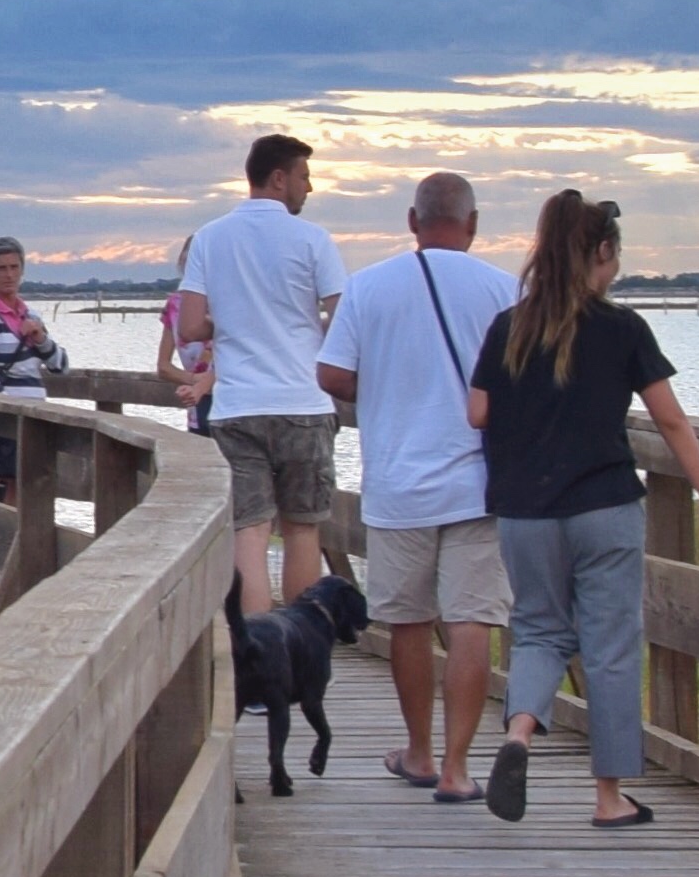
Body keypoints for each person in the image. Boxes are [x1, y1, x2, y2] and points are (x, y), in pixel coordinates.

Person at [470, 186, 699, 830]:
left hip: (526, 512)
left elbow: (477, 411)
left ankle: (519, 736)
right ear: (601, 251)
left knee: (539, 631)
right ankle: (609, 799)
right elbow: (670, 421)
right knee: (609, 646)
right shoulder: (623, 329)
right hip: (604, 506)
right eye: (616, 255)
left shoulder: (509, 328)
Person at [317, 172, 516, 799]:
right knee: (471, 622)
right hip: (480, 484)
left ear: (412, 220)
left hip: (399, 481)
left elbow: (332, 374)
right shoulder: (506, 290)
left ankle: (420, 753)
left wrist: (383, 384)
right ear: (473, 223)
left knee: (407, 621)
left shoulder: (369, 287)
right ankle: (459, 770)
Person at [162, 132, 344, 615]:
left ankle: (258, 662)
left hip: (239, 406)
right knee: (303, 529)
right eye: (304, 176)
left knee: (250, 534)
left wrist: (236, 320)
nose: (310, 186)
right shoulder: (313, 240)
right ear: (278, 178)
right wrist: (299, 324)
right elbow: (343, 318)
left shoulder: (210, 238)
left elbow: (190, 326)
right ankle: (303, 648)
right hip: (303, 403)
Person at [0, 234, 69, 494]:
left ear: (22, 270)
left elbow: (61, 365)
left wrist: (40, 338)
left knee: (29, 491)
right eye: (1, 268)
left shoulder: (31, 315)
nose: (9, 275)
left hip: (33, 419)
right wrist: (16, 413)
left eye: (14, 267)